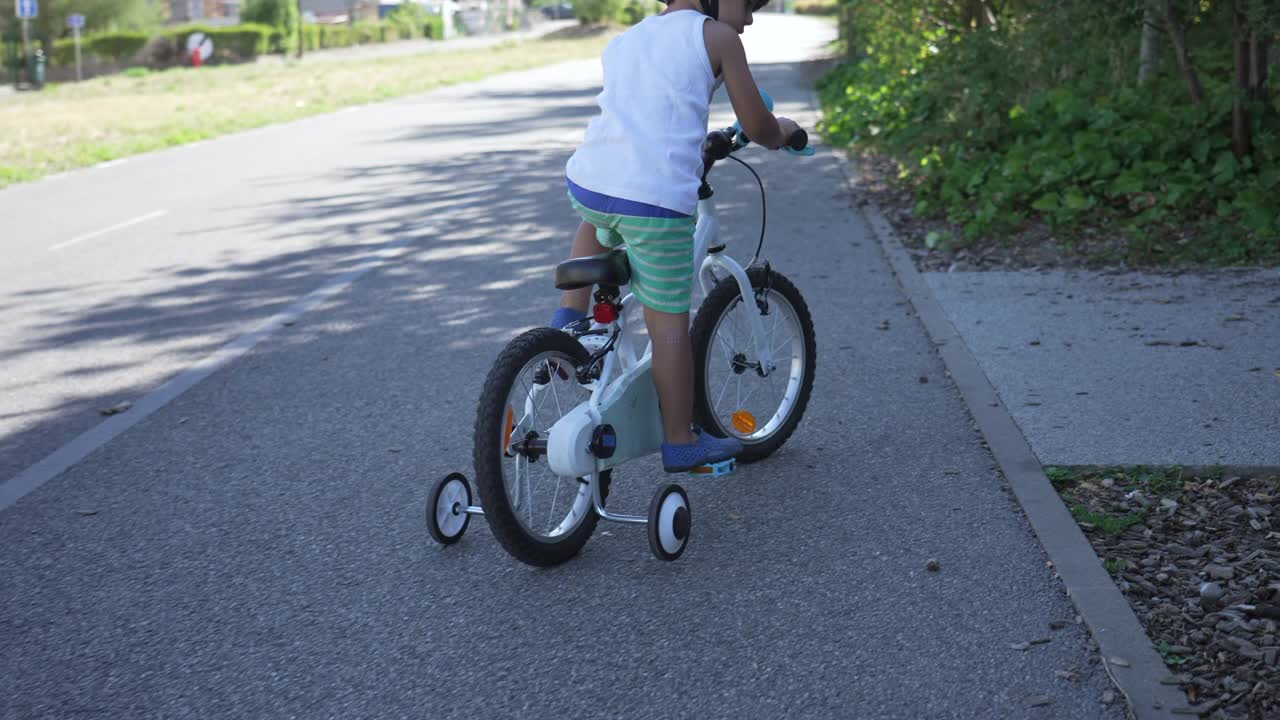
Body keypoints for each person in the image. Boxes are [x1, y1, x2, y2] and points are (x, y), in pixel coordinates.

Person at [548, 0, 803, 472]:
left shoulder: (628, 39)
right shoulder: (721, 40)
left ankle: (567, 321)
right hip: (655, 205)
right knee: (669, 327)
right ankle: (681, 439)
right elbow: (757, 126)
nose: (748, 18)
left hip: (590, 181)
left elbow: (653, 104)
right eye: (748, 4)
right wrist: (783, 132)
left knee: (598, 219)